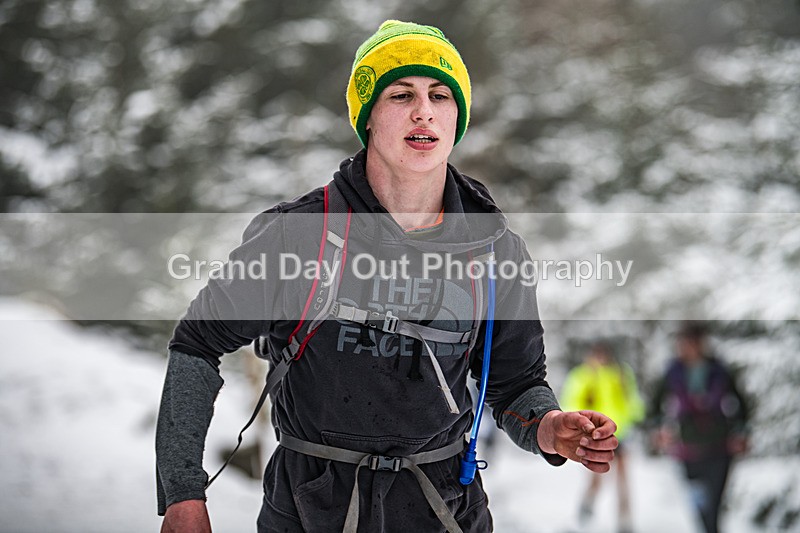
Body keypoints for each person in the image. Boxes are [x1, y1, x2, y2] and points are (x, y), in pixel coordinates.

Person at [156, 20, 619, 533]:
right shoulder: (300, 234)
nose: (424, 109)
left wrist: (552, 429)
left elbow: (515, 385)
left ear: (456, 117)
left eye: (440, 95)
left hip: (444, 511)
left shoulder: (493, 249)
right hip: (311, 512)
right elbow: (197, 343)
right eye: (401, 93)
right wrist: (183, 493)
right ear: (368, 116)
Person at [649, 322, 749, 533]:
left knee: (715, 504)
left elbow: (742, 403)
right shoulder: (673, 371)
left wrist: (741, 431)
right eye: (684, 343)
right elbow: (654, 405)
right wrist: (658, 430)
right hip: (688, 448)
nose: (688, 348)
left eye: (693, 343)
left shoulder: (719, 369)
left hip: (719, 444)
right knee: (699, 504)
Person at [560, 341, 645, 533]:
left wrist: (638, 418)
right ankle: (586, 507)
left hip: (621, 433)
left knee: (623, 479)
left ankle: (624, 520)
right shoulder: (581, 376)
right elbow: (570, 403)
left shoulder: (621, 374)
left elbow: (632, 401)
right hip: (595, 435)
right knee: (596, 476)